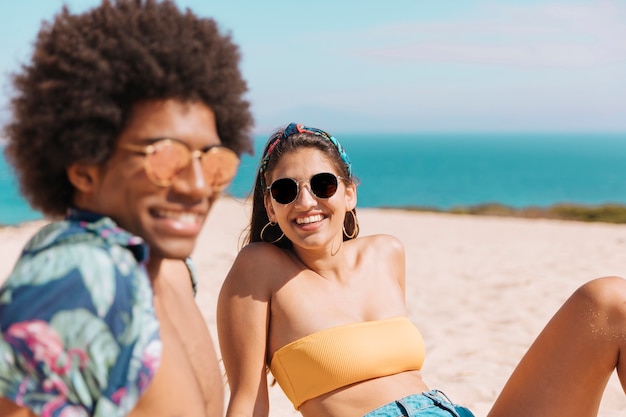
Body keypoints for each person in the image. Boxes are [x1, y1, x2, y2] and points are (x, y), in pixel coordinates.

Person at [216, 122, 626, 417]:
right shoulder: (260, 268)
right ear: (270, 206)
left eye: (322, 185)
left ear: (349, 193)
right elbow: (248, 401)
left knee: (610, 299)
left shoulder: (386, 254)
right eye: (286, 191)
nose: (305, 202)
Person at [0, 1, 253, 416]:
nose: (196, 186)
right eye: (164, 156)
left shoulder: (163, 269)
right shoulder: (81, 275)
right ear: (85, 168)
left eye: (212, 159)